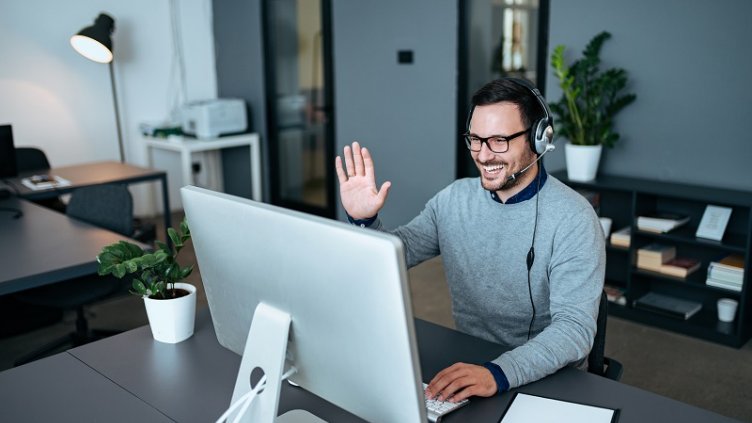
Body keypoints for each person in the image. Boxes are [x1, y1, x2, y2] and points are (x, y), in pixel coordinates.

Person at [335, 78, 605, 403]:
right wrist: (364, 220)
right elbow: (395, 254)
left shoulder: (573, 218)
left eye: (499, 140)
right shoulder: (453, 200)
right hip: (470, 361)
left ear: (538, 139)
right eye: (475, 139)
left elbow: (574, 330)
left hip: (548, 376)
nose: (484, 155)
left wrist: (497, 373)